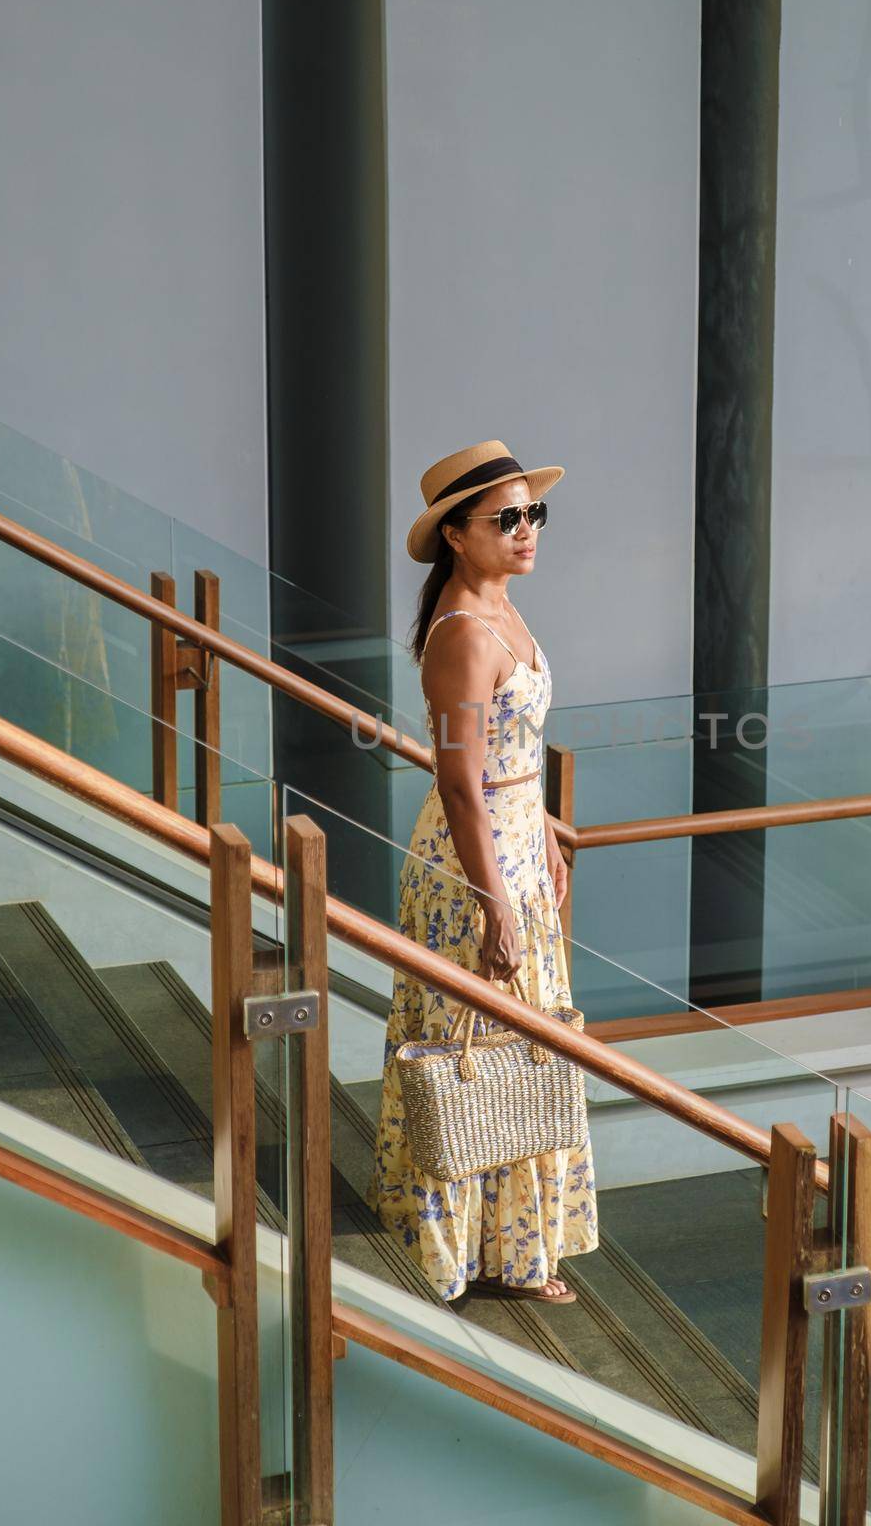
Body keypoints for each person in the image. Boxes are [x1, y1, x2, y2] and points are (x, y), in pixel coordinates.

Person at [368, 440, 598, 1304]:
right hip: (472, 872)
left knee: (521, 1049)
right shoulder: (461, 634)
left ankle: (514, 1249)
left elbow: (509, 752)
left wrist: (538, 822)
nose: (527, 529)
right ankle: (463, 1250)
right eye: (507, 518)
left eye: (532, 512)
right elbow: (458, 777)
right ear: (457, 536)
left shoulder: (505, 610)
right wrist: (492, 901)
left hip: (514, 855)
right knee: (468, 1052)